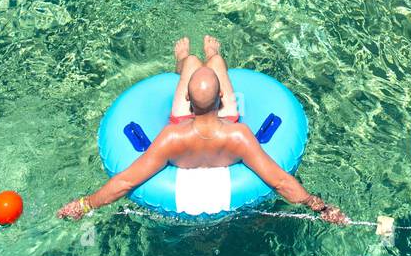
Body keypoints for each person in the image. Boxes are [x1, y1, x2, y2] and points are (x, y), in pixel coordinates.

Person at [57, 37, 348, 226]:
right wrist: (320, 208)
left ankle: (185, 60)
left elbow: (124, 182)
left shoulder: (172, 137)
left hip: (188, 130)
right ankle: (215, 54)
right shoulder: (239, 136)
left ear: (185, 101)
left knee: (193, 64)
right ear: (223, 100)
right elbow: (282, 182)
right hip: (222, 128)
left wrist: (84, 204)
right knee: (216, 64)